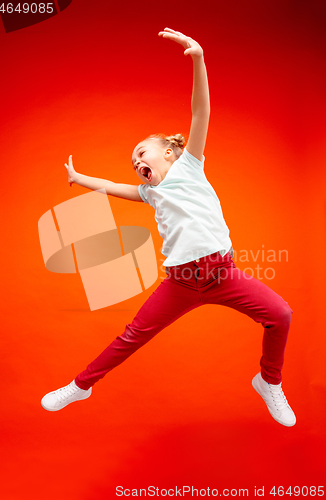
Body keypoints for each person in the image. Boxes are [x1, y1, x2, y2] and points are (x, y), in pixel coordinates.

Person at [41, 28, 296, 427]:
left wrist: (197, 58)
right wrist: (79, 178)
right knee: (131, 337)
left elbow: (200, 112)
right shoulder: (150, 193)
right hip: (180, 282)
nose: (138, 162)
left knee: (280, 314)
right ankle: (81, 385)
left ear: (169, 152)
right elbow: (111, 186)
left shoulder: (191, 165)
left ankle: (269, 381)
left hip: (221, 274)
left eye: (142, 152)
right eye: (133, 163)